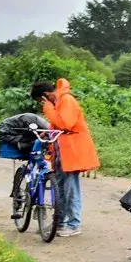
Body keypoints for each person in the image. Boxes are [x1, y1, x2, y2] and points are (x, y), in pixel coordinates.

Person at [31, 79, 99, 237]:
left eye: (41, 101)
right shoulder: (58, 101)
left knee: (70, 188)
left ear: (46, 95)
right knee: (60, 188)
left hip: (72, 150)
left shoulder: (66, 100)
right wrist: (46, 132)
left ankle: (74, 224)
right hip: (61, 150)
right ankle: (59, 223)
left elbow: (66, 124)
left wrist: (48, 108)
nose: (42, 104)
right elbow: (57, 124)